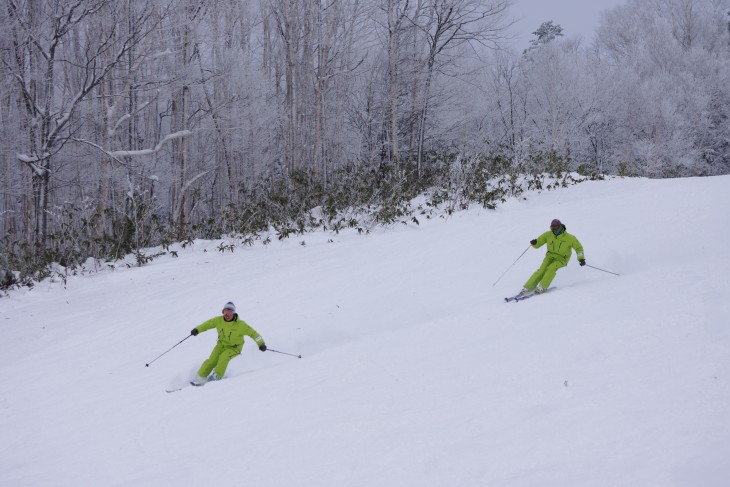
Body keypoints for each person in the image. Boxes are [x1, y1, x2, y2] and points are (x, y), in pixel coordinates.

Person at [189, 301, 266, 385]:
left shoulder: (241, 325)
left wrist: (261, 344)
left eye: (230, 312)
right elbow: (207, 324)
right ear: (223, 312)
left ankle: (216, 377)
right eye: (225, 311)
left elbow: (254, 334)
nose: (227, 314)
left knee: (224, 357)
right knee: (212, 360)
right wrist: (197, 330)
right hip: (220, 345)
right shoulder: (218, 320)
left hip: (234, 348)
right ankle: (200, 377)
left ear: (233, 313)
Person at [520, 219, 585, 295]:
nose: (554, 230)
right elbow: (538, 243)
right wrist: (535, 243)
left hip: (562, 259)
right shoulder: (548, 234)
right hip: (549, 256)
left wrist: (581, 258)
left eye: (556, 228)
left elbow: (579, 248)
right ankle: (528, 287)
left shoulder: (570, 238)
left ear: (560, 227)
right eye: (552, 228)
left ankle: (542, 287)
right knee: (542, 270)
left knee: (551, 268)